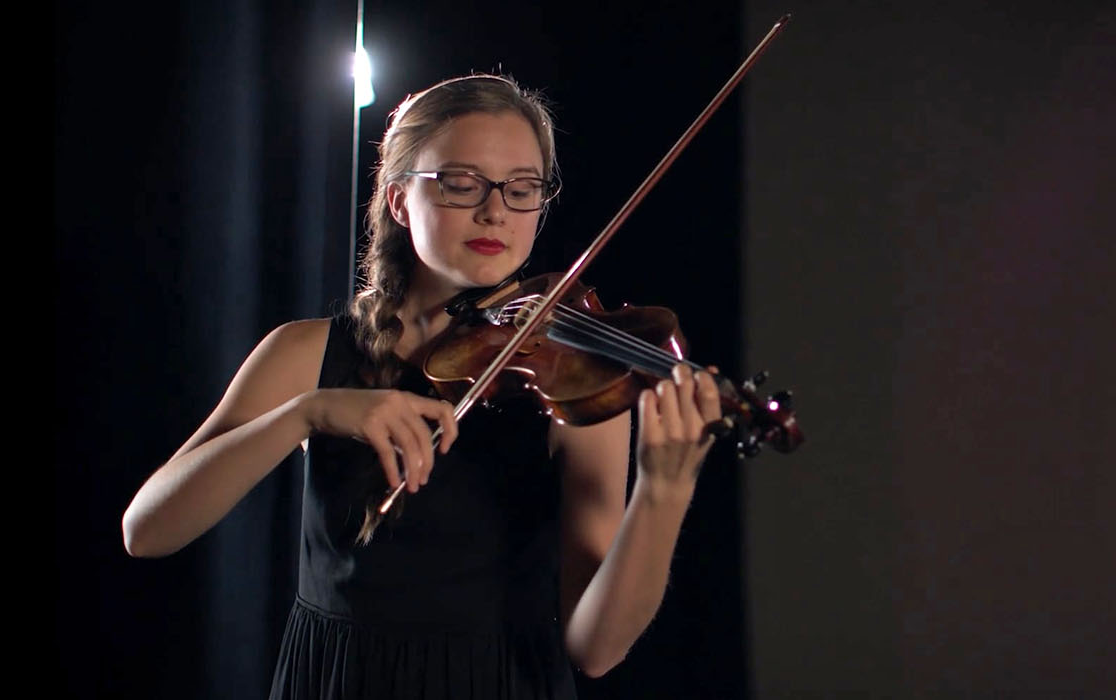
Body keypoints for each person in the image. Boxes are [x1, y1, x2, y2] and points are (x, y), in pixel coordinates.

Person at [122, 74, 722, 699]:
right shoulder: (304, 353)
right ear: (399, 200)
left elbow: (595, 651)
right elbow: (149, 529)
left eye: (522, 190)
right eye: (461, 184)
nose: (495, 211)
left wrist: (664, 488)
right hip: (336, 683)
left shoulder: (571, 374)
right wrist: (306, 413)